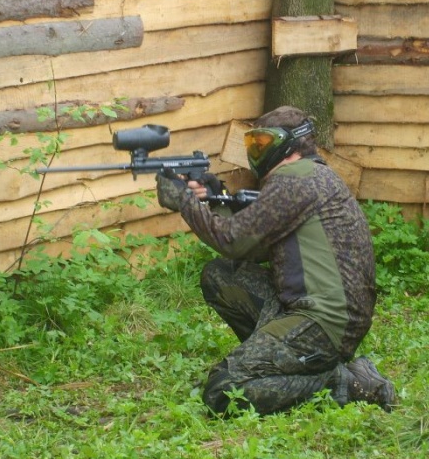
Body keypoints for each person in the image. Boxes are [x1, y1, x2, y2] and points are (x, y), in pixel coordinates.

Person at [155, 105, 395, 416]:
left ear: (289, 144)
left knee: (223, 390)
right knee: (220, 276)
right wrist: (215, 196)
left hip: (322, 323)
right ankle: (280, 364)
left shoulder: (294, 180)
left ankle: (344, 383)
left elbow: (232, 241)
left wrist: (185, 201)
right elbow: (254, 248)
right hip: (320, 312)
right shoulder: (308, 176)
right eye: (253, 144)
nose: (257, 152)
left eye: (263, 143)